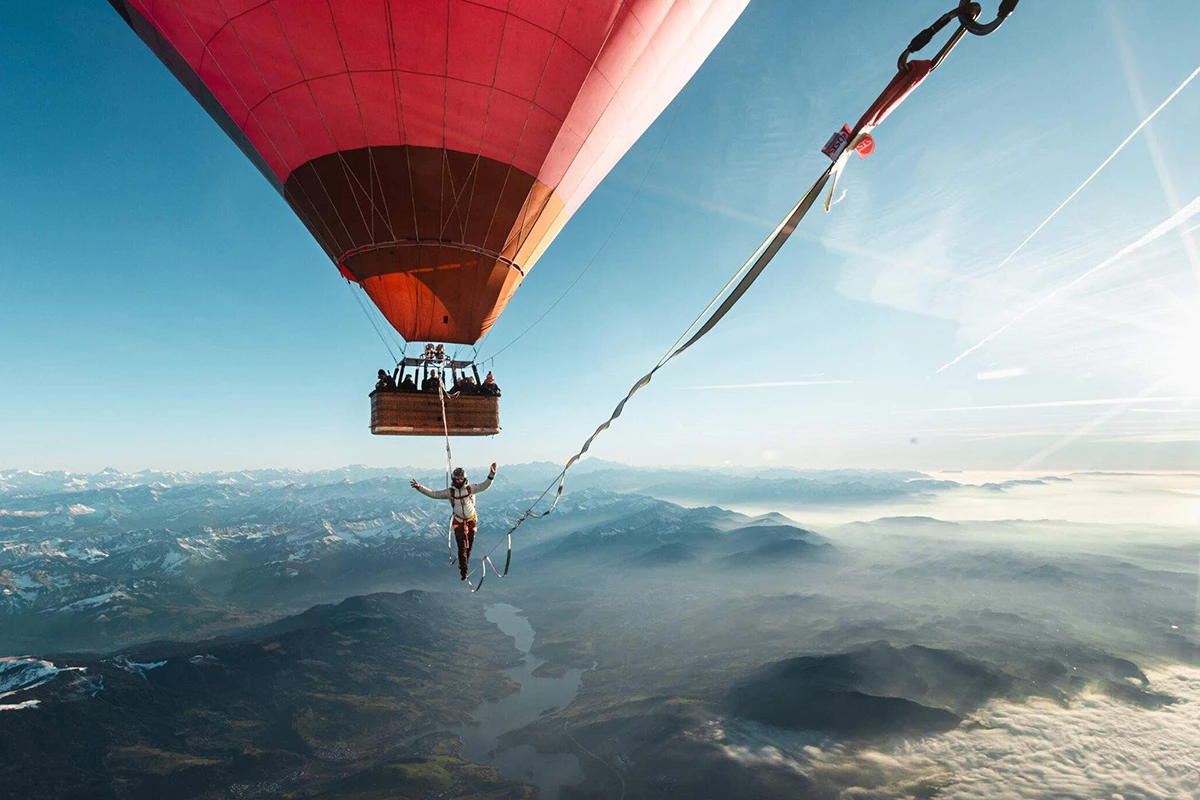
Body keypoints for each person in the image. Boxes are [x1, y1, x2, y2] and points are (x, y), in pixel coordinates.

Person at [411, 463, 497, 580]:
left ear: (465, 478)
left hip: (471, 520)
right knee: (461, 547)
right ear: (453, 479)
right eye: (457, 478)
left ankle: (464, 565)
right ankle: (464, 571)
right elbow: (434, 494)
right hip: (458, 521)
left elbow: (485, 485)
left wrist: (492, 474)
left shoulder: (470, 489)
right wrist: (419, 488)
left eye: (461, 478)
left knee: (469, 546)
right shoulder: (450, 492)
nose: (459, 480)